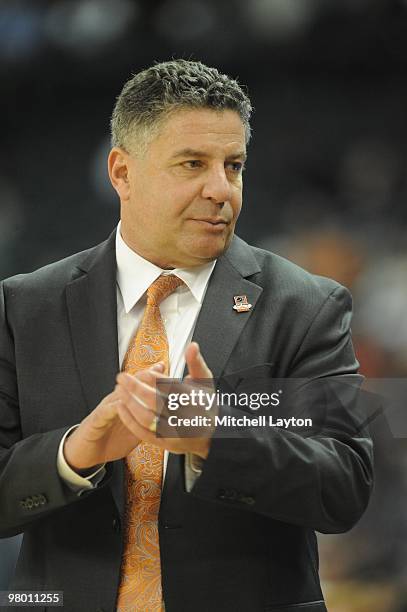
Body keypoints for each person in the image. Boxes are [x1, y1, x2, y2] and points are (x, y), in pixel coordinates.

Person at [0, 59, 373, 612]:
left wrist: (213, 439)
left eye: (235, 165)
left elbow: (343, 488)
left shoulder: (305, 305)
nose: (221, 189)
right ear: (122, 173)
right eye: (193, 164)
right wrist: (75, 453)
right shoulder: (24, 306)